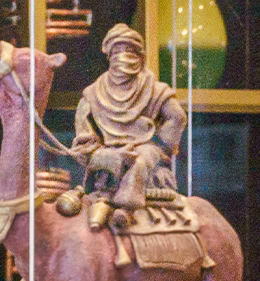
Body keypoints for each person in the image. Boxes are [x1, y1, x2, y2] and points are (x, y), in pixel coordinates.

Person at [70, 23, 185, 225]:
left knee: (140, 161)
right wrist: (104, 155)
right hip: (108, 154)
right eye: (118, 51)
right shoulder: (93, 94)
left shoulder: (155, 89)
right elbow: (82, 147)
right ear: (109, 55)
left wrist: (162, 146)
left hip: (146, 150)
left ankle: (127, 206)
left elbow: (178, 118)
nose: (124, 56)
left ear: (140, 56)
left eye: (130, 50)